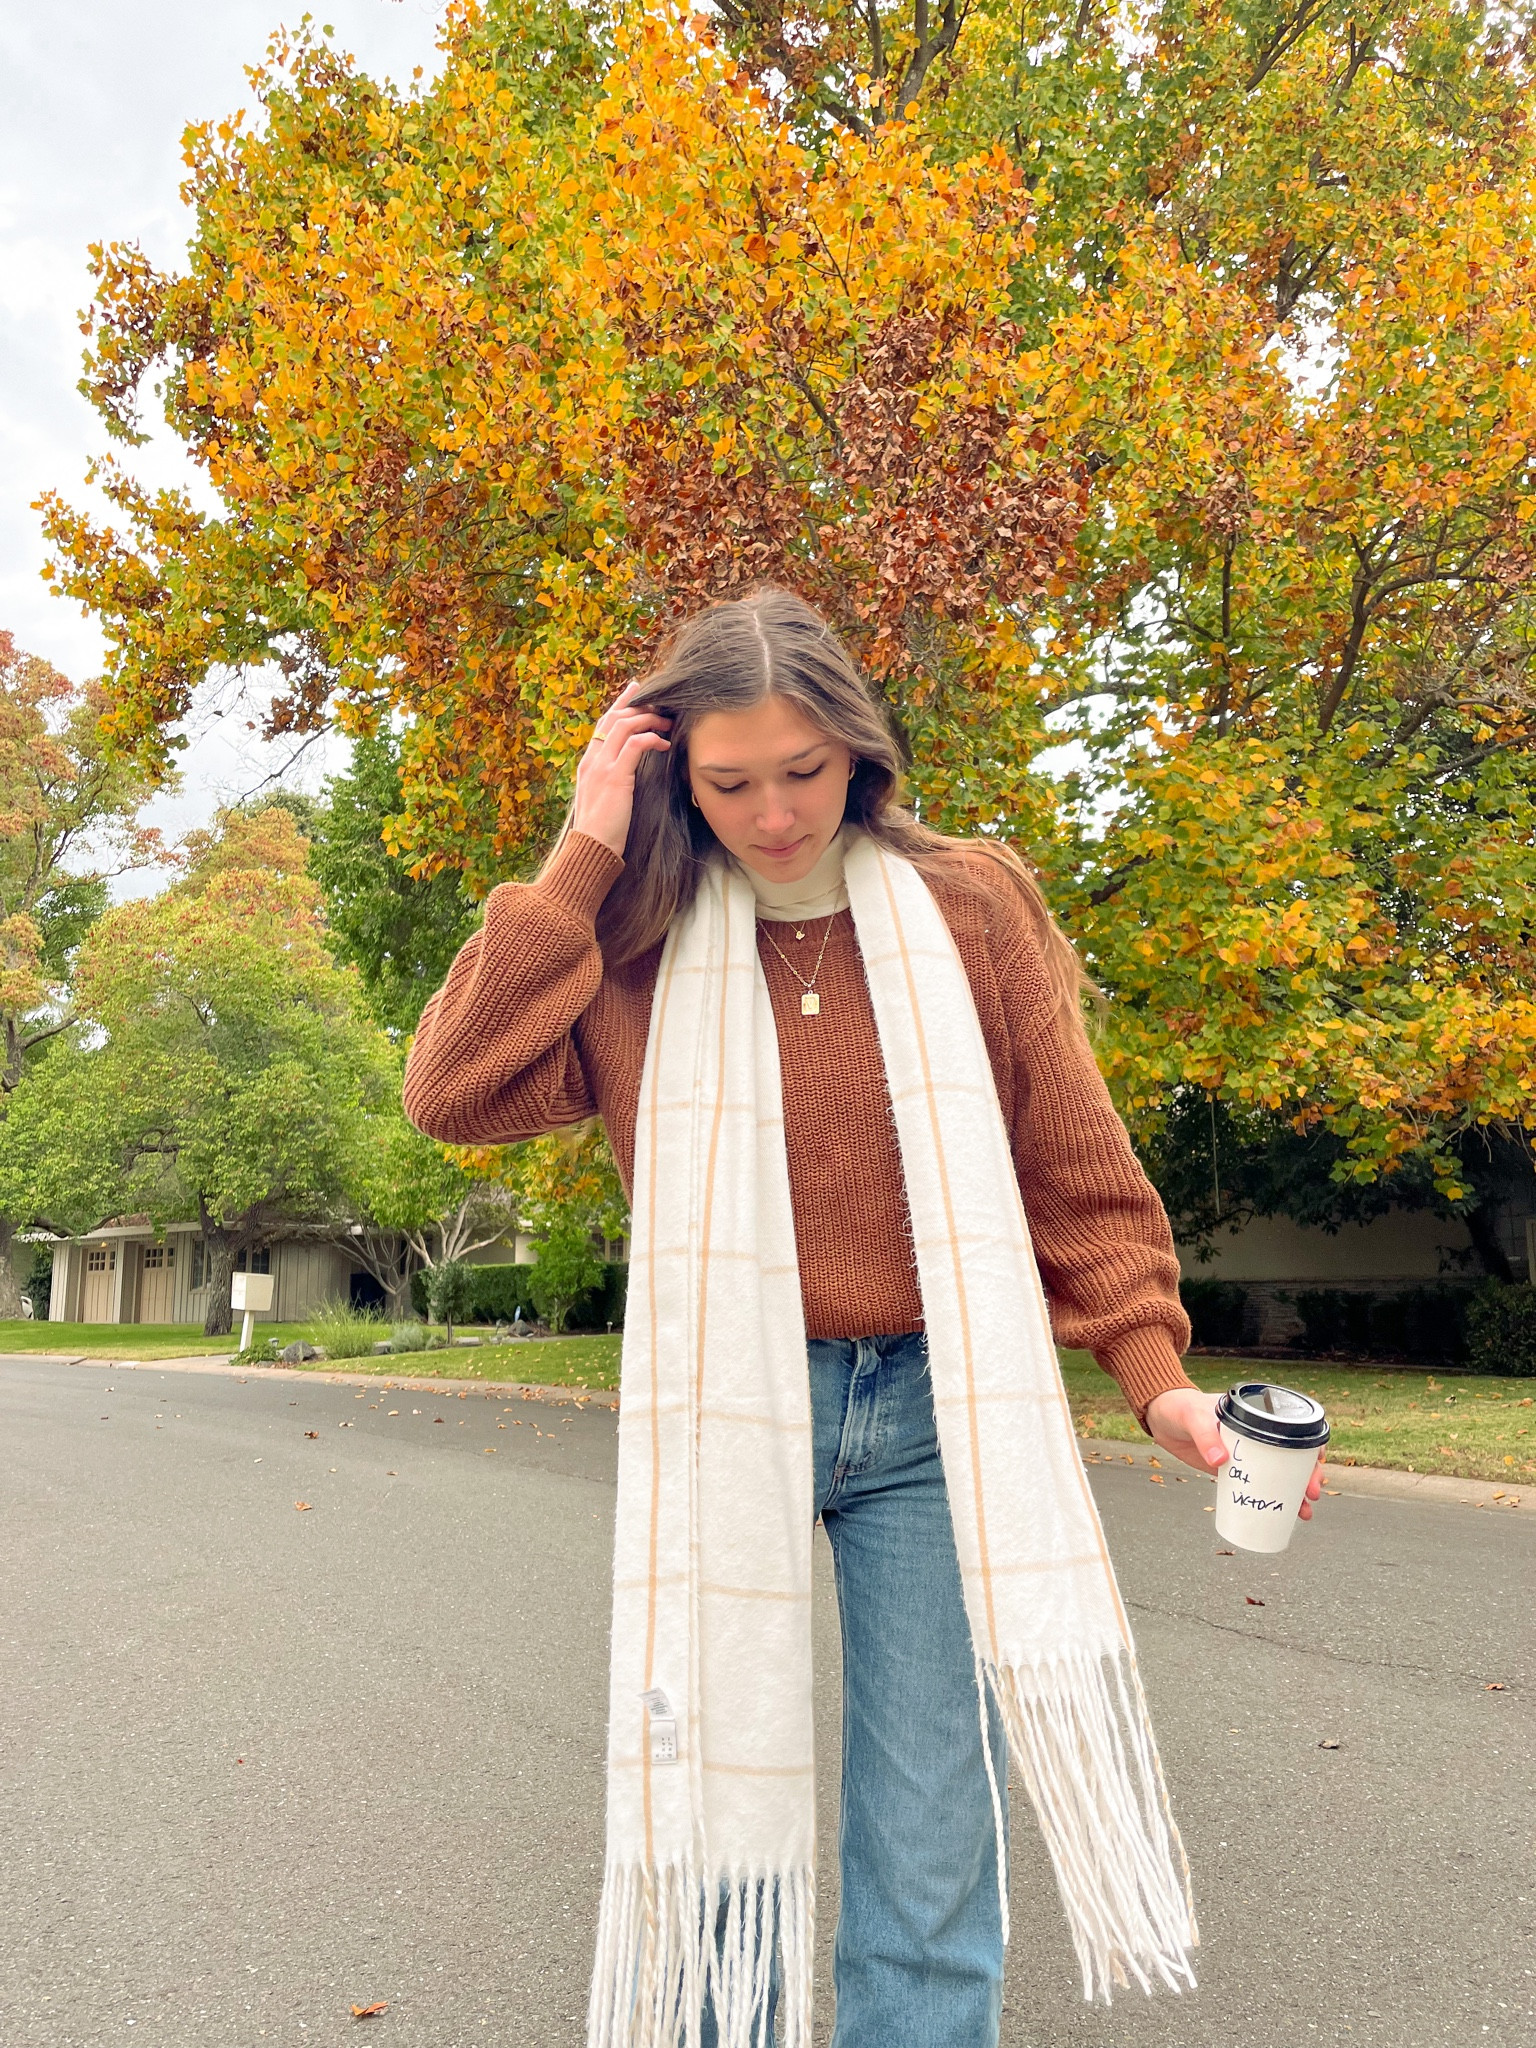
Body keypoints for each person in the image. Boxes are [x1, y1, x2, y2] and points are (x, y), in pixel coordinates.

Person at [403, 588, 1322, 2048]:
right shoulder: (630, 940)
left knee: (929, 1837)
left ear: (859, 752)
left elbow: (1071, 1168)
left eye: (803, 771)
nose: (773, 814)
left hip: (935, 1417)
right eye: (728, 782)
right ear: (671, 780)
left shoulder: (969, 907)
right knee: (715, 1809)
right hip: (735, 1411)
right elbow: (452, 1089)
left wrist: (1162, 1386)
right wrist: (583, 850)